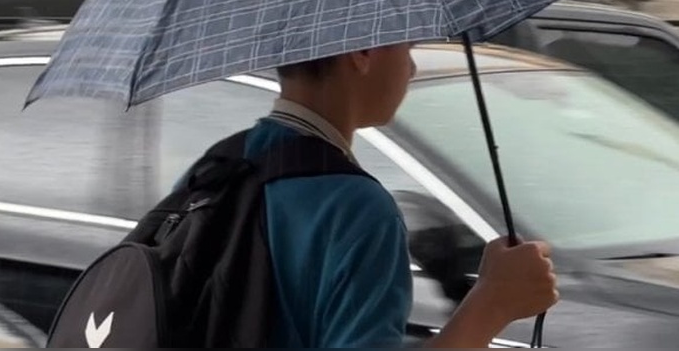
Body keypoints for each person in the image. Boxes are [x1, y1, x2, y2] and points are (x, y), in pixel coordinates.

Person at [239, 41, 559, 348]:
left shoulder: (220, 167)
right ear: (361, 52)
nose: (413, 69)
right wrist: (493, 302)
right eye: (408, 49)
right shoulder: (355, 207)